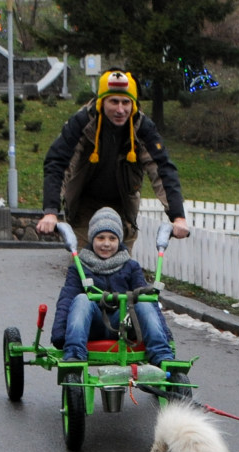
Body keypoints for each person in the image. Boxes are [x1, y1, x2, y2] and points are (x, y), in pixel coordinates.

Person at [36, 69, 190, 249]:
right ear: (101, 102)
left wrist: (178, 217)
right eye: (114, 101)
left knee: (123, 269)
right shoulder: (82, 123)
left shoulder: (142, 128)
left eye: (126, 102)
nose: (120, 110)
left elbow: (162, 170)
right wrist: (51, 212)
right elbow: (58, 163)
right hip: (85, 204)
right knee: (85, 264)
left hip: (122, 207)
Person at [52, 207, 176, 375]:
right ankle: (74, 354)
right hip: (92, 324)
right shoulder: (79, 267)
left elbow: (150, 303)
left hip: (124, 323)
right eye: (100, 237)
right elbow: (66, 299)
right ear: (91, 239)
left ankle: (162, 355)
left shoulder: (131, 266)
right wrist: (60, 334)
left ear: (119, 240)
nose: (106, 243)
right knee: (81, 299)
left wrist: (165, 334)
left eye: (112, 238)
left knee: (144, 299)